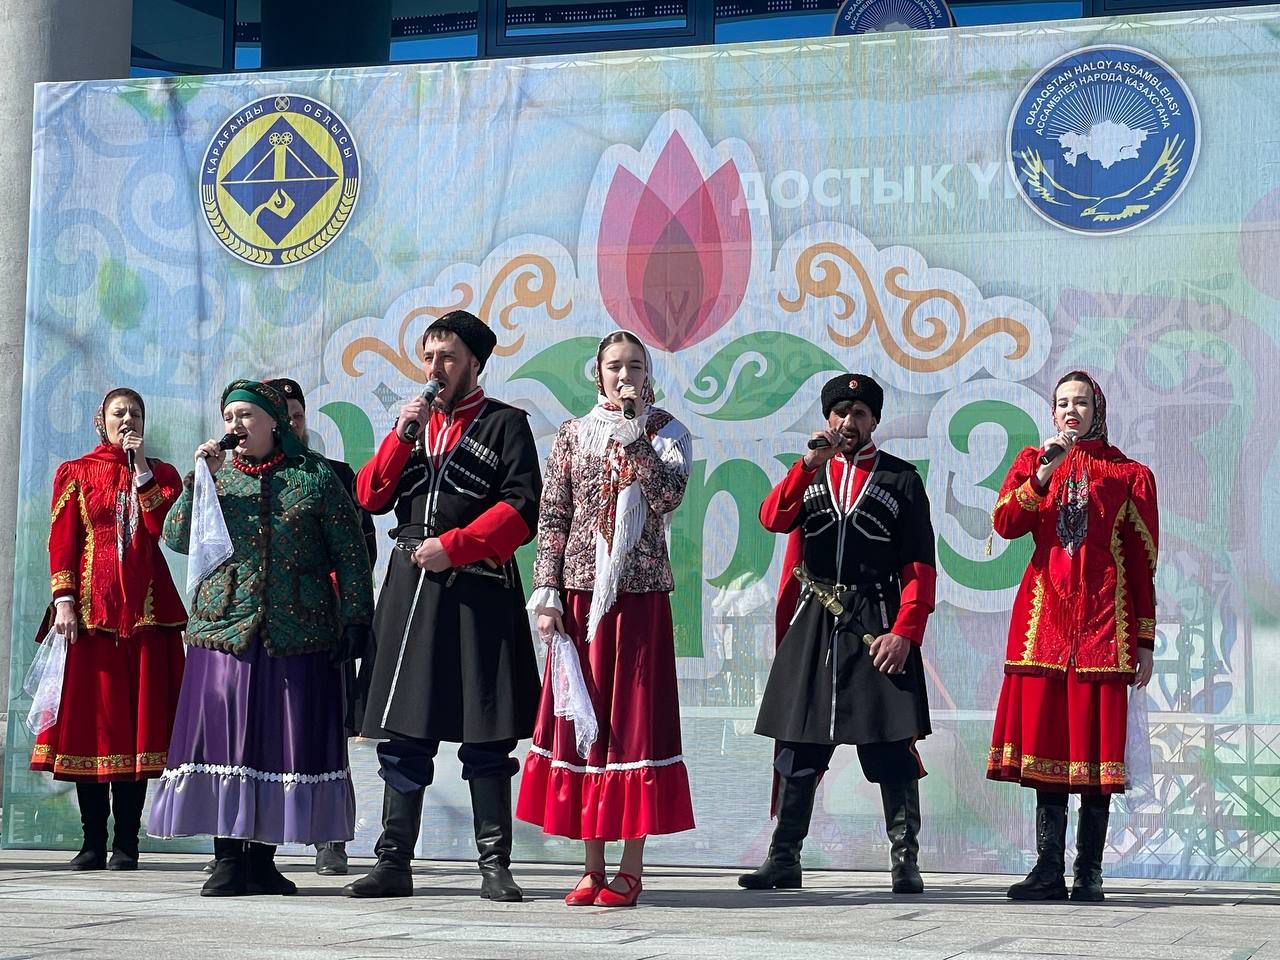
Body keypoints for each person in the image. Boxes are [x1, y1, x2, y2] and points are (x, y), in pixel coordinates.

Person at [148, 379, 374, 897]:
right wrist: (198, 480)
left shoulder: (313, 476)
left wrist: (357, 619)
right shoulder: (216, 477)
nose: (236, 426)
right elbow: (176, 536)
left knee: (277, 741)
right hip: (224, 628)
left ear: (275, 421)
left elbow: (350, 552)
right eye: (230, 417)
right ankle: (228, 859)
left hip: (297, 628)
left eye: (246, 415)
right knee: (224, 739)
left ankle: (263, 862)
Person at [347, 310, 542, 902]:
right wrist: (400, 434)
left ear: (474, 364)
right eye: (429, 357)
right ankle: (392, 863)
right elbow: (370, 496)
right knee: (404, 734)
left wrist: (455, 546)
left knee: (487, 738)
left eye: (448, 357)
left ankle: (494, 865)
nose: (435, 368)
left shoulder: (505, 424)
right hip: (410, 594)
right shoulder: (412, 427)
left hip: (479, 593)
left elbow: (522, 507)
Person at [516, 331, 695, 909]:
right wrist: (546, 594)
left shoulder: (668, 432)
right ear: (598, 374)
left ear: (648, 375)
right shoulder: (573, 434)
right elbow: (554, 516)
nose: (624, 376)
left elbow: (667, 498)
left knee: (633, 726)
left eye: (635, 367)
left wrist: (634, 434)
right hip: (579, 596)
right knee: (585, 723)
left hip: (639, 598)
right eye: (614, 366)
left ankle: (631, 867)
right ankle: (591, 866)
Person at [739, 374, 936, 894]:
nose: (850, 422)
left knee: (891, 746)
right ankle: (784, 858)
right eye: (841, 413)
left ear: (875, 421)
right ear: (828, 419)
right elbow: (771, 518)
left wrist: (905, 632)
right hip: (815, 617)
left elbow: (919, 566)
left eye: (860, 414)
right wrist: (807, 465)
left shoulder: (901, 479)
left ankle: (905, 861)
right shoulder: (808, 472)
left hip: (876, 618)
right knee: (799, 745)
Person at [987, 370, 1157, 903]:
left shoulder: (1129, 474)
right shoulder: (1033, 462)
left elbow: (1141, 565)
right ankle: (1047, 869)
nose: (1070, 411)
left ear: (1097, 410)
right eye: (1062, 403)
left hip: (1106, 629)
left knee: (1096, 758)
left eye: (1080, 403)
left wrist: (1145, 639)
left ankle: (1089, 872)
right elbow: (1006, 524)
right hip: (1043, 628)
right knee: (1048, 750)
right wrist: (1043, 473)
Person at [31, 388, 187, 871]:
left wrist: (141, 471)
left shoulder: (162, 474)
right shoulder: (76, 471)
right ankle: (92, 841)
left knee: (137, 729)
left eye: (136, 413)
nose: (128, 420)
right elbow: (63, 540)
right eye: (119, 413)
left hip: (146, 620)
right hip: (90, 619)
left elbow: (162, 528)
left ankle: (127, 844)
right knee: (91, 729)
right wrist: (64, 600)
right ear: (101, 420)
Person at [268, 376, 378, 878]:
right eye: (283, 418)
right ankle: (251, 842)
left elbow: (360, 550)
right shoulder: (240, 477)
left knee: (325, 731)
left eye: (297, 417)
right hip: (262, 631)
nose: (292, 426)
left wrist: (350, 613)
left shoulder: (333, 474)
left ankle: (329, 837)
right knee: (261, 733)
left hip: (320, 624)